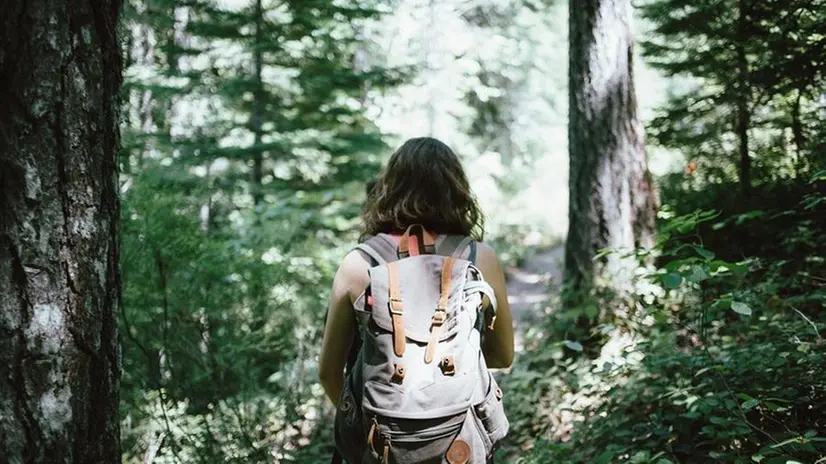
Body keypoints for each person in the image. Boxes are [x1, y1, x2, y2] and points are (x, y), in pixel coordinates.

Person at [319, 137, 514, 462]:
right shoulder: (480, 259)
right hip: (459, 446)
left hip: (380, 445)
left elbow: (328, 372)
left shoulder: (358, 264)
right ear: (456, 190)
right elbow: (502, 356)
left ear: (389, 188)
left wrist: (370, 419)